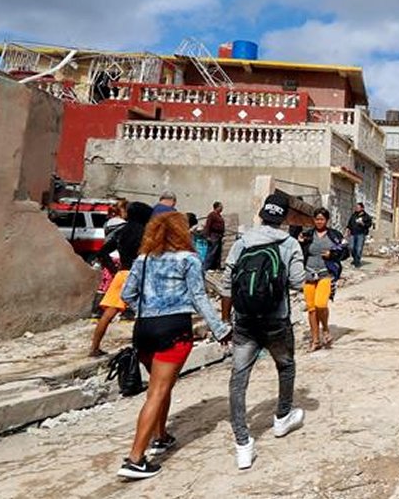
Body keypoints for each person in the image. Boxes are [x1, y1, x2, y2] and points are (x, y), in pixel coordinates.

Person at [116, 212, 232, 480]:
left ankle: (161, 434)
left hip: (143, 329)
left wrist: (147, 311)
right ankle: (135, 458)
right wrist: (220, 329)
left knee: (160, 386)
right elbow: (199, 297)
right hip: (174, 328)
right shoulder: (188, 259)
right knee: (158, 391)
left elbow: (127, 295)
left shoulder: (143, 260)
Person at [221, 192, 308, 471]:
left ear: (261, 214)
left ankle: (243, 445)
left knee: (238, 379)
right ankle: (282, 417)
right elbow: (297, 283)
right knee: (285, 366)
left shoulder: (243, 241)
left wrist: (226, 320)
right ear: (283, 218)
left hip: (244, 320)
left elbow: (227, 283)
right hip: (276, 320)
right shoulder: (290, 243)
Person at [90, 202, 154, 357]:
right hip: (140, 275)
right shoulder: (147, 234)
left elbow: (103, 252)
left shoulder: (121, 231)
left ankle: (94, 348)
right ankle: (141, 348)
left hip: (122, 274)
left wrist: (114, 270)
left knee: (107, 314)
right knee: (144, 315)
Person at [298, 208, 347, 351]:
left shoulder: (334, 235)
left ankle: (325, 329)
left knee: (321, 304)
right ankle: (315, 340)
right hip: (309, 274)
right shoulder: (307, 235)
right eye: (317, 219)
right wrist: (301, 242)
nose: (319, 221)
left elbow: (345, 250)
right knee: (311, 309)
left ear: (326, 220)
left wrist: (332, 254)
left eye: (322, 219)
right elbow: (298, 250)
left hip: (326, 273)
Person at [345, 202, 373, 268]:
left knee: (359, 248)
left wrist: (362, 223)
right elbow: (349, 224)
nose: (356, 208)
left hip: (361, 234)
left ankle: (357, 261)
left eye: (358, 207)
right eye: (356, 207)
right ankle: (355, 258)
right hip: (352, 233)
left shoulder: (366, 216)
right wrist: (347, 231)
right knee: (351, 247)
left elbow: (369, 225)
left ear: (362, 208)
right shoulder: (354, 215)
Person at [202, 201, 226, 272]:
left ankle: (214, 267)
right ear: (217, 207)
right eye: (221, 207)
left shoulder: (219, 216)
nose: (222, 208)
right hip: (213, 236)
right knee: (211, 252)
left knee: (217, 253)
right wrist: (207, 236)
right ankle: (205, 267)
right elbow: (208, 225)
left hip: (219, 236)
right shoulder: (212, 215)